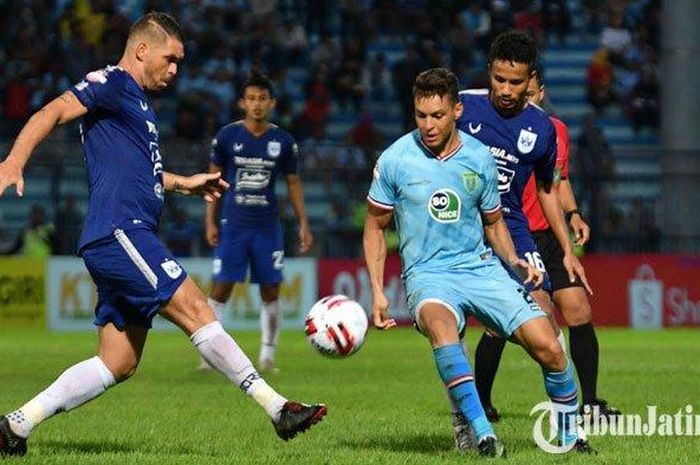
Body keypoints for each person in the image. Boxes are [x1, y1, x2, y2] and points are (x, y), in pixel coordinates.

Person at [0, 13, 326, 458]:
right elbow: (52, 110)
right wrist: (14, 160)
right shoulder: (112, 83)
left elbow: (137, 172)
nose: (175, 70)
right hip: (120, 232)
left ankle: (16, 425)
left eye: (180, 62)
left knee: (118, 362)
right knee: (196, 307)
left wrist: (182, 182)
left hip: (120, 235)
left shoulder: (136, 104)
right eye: (170, 59)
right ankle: (277, 408)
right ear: (142, 51)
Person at [364, 67, 593, 458]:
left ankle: (571, 436)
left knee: (550, 346)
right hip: (428, 275)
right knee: (442, 329)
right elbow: (374, 228)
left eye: (437, 116)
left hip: (480, 267)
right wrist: (376, 293)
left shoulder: (479, 158)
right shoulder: (395, 159)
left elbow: (495, 224)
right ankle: (483, 434)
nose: (428, 125)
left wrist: (515, 262)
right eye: (421, 116)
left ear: (456, 111)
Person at [455, 30, 590, 427]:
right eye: (499, 79)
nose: (507, 89)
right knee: (451, 325)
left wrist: (566, 248)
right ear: (489, 73)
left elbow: (548, 190)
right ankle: (468, 416)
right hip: (461, 226)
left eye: (516, 82)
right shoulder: (462, 107)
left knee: (545, 316)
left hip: (511, 227)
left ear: (531, 79)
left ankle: (569, 424)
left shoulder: (541, 128)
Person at [522, 71, 621, 417]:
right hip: (518, 237)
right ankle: (484, 404)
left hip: (551, 235)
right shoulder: (501, 131)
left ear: (541, 92)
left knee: (578, 310)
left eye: (531, 93)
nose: (526, 100)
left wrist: (574, 214)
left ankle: (590, 403)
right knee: (509, 326)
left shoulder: (555, 130)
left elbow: (558, 180)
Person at [201, 70, 313, 373]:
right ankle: (209, 355)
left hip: (267, 227)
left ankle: (267, 356)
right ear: (242, 103)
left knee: (271, 290)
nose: (257, 104)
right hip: (233, 225)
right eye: (251, 98)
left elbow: (293, 183)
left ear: (272, 103)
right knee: (221, 287)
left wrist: (303, 221)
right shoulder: (227, 137)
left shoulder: (283, 141)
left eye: (262, 98)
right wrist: (209, 220)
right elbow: (212, 181)